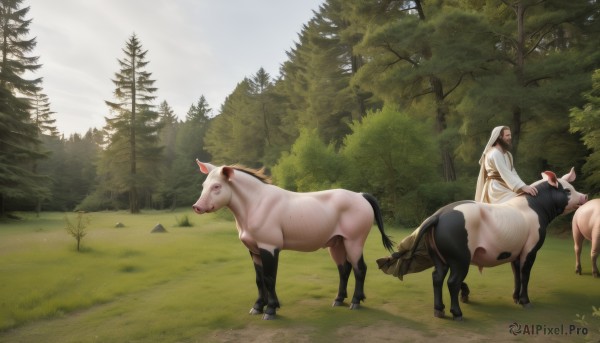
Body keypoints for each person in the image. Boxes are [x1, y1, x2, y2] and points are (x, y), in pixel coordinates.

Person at [475, 126, 537, 203]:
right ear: (499, 137)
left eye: (510, 135)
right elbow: (505, 173)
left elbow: (513, 172)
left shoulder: (508, 155)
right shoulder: (494, 153)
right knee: (517, 201)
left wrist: (523, 186)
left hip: (506, 186)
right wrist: (522, 187)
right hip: (496, 189)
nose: (510, 137)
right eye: (507, 135)